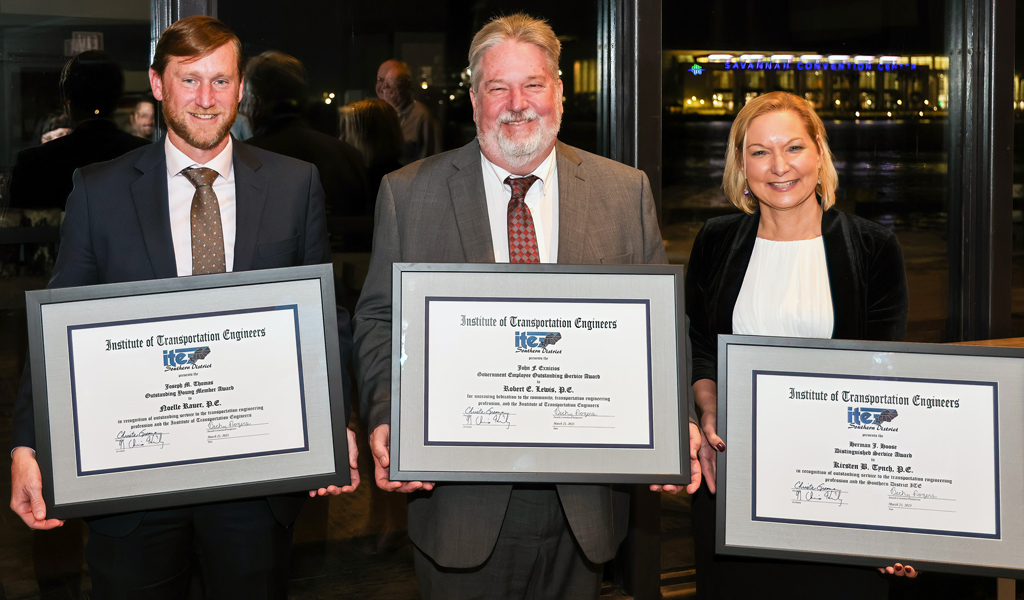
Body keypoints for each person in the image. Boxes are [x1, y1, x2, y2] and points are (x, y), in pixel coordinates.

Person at [9, 16, 358, 599]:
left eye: (221, 81)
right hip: (132, 480)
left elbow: (325, 318)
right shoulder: (99, 190)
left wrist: (335, 422)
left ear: (241, 88)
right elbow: (57, 326)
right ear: (156, 83)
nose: (205, 98)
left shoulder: (294, 185)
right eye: (189, 80)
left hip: (255, 474)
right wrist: (26, 444)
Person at [353, 14, 701, 599]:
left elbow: (660, 329)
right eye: (498, 88)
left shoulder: (624, 192)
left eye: (533, 84)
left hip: (586, 505)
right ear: (473, 99)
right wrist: (388, 412)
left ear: (559, 92)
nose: (518, 104)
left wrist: (674, 423)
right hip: (458, 502)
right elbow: (379, 319)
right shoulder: (408, 193)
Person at [686, 91, 915, 599]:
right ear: (741, 165)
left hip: (839, 481)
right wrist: (709, 408)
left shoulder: (873, 246)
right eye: (760, 152)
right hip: (737, 477)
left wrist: (894, 512)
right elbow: (701, 346)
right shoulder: (716, 241)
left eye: (793, 147)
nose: (779, 166)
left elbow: (885, 379)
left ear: (819, 154)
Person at [8, 51, 149, 210]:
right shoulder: (149, 156)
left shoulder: (31, 163)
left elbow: (20, 231)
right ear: (118, 95)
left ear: (65, 94)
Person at [242, 51, 369, 221]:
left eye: (244, 95)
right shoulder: (348, 155)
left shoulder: (244, 159)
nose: (241, 106)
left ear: (256, 100)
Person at [339, 98, 403, 210]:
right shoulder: (399, 177)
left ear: (369, 136)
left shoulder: (388, 183)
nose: (341, 138)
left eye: (348, 131)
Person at [375, 58, 442, 164]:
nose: (384, 86)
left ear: (406, 86)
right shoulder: (374, 114)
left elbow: (434, 161)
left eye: (392, 80)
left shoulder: (423, 117)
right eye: (380, 79)